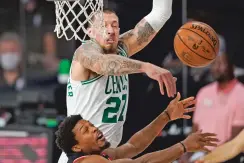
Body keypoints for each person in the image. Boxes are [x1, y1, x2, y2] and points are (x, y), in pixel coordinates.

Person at [59, 0, 176, 162]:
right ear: (90, 32)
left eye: (114, 25)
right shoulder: (84, 53)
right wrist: (146, 67)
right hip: (83, 155)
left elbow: (160, 14)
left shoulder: (121, 49)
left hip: (106, 153)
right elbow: (103, 64)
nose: (110, 30)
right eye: (103, 26)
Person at [56, 93, 219, 163]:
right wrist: (184, 146)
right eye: (85, 130)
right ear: (76, 146)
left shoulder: (100, 155)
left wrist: (167, 115)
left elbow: (134, 146)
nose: (93, 129)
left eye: (90, 125)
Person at [183, 53, 244, 162]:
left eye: (221, 63)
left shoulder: (241, 93)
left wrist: (207, 158)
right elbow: (195, 129)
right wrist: (185, 153)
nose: (216, 67)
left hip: (225, 157)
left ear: (232, 67)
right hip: (198, 154)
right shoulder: (203, 92)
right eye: (214, 64)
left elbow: (235, 142)